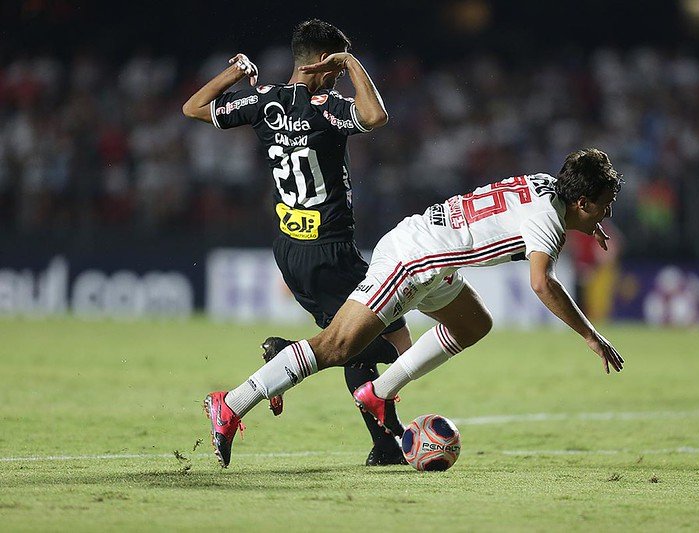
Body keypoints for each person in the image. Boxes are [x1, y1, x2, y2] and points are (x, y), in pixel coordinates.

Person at [204, 148, 626, 468]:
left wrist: (586, 224)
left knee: (474, 322)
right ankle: (232, 403)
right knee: (337, 346)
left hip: (434, 255)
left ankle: (377, 393)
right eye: (605, 203)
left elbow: (533, 217)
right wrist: (591, 335)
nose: (607, 211)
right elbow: (542, 283)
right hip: (414, 260)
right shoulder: (548, 220)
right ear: (583, 201)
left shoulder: (545, 185)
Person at [183, 19, 413, 466]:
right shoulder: (326, 106)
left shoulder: (263, 101)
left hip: (290, 250)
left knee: (353, 341)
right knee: (397, 344)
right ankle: (280, 363)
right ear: (324, 65)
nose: (338, 76)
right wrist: (352, 63)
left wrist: (234, 72)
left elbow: (193, 108)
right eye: (336, 67)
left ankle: (386, 444)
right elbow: (375, 116)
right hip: (332, 250)